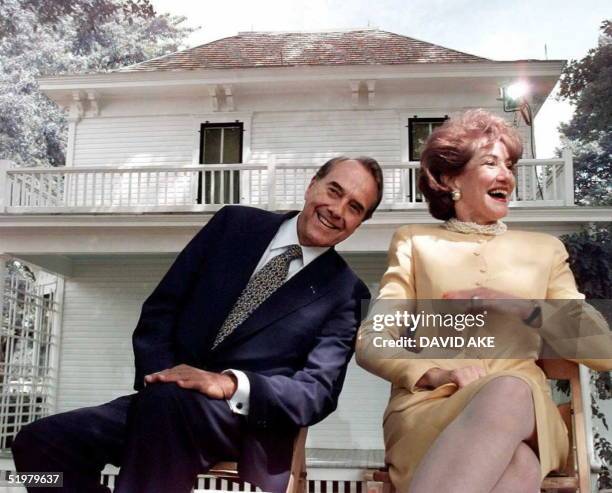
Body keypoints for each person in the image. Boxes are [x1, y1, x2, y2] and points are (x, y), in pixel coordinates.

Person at [12, 156, 384, 493]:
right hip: (162, 398)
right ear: (311, 185)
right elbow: (161, 310)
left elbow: (316, 393)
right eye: (334, 191)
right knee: (38, 443)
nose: (337, 210)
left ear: (358, 225)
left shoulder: (346, 292)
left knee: (169, 408)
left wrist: (228, 384)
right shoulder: (232, 224)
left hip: (242, 422)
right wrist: (162, 377)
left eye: (354, 208)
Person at [356, 110, 612, 493]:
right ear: (449, 178)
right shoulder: (414, 242)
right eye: (490, 162)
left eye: (508, 164)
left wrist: (523, 308)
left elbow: (602, 350)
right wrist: (435, 373)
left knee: (510, 390)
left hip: (527, 414)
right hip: (432, 410)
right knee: (520, 468)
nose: (506, 175)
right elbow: (371, 341)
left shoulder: (546, 250)